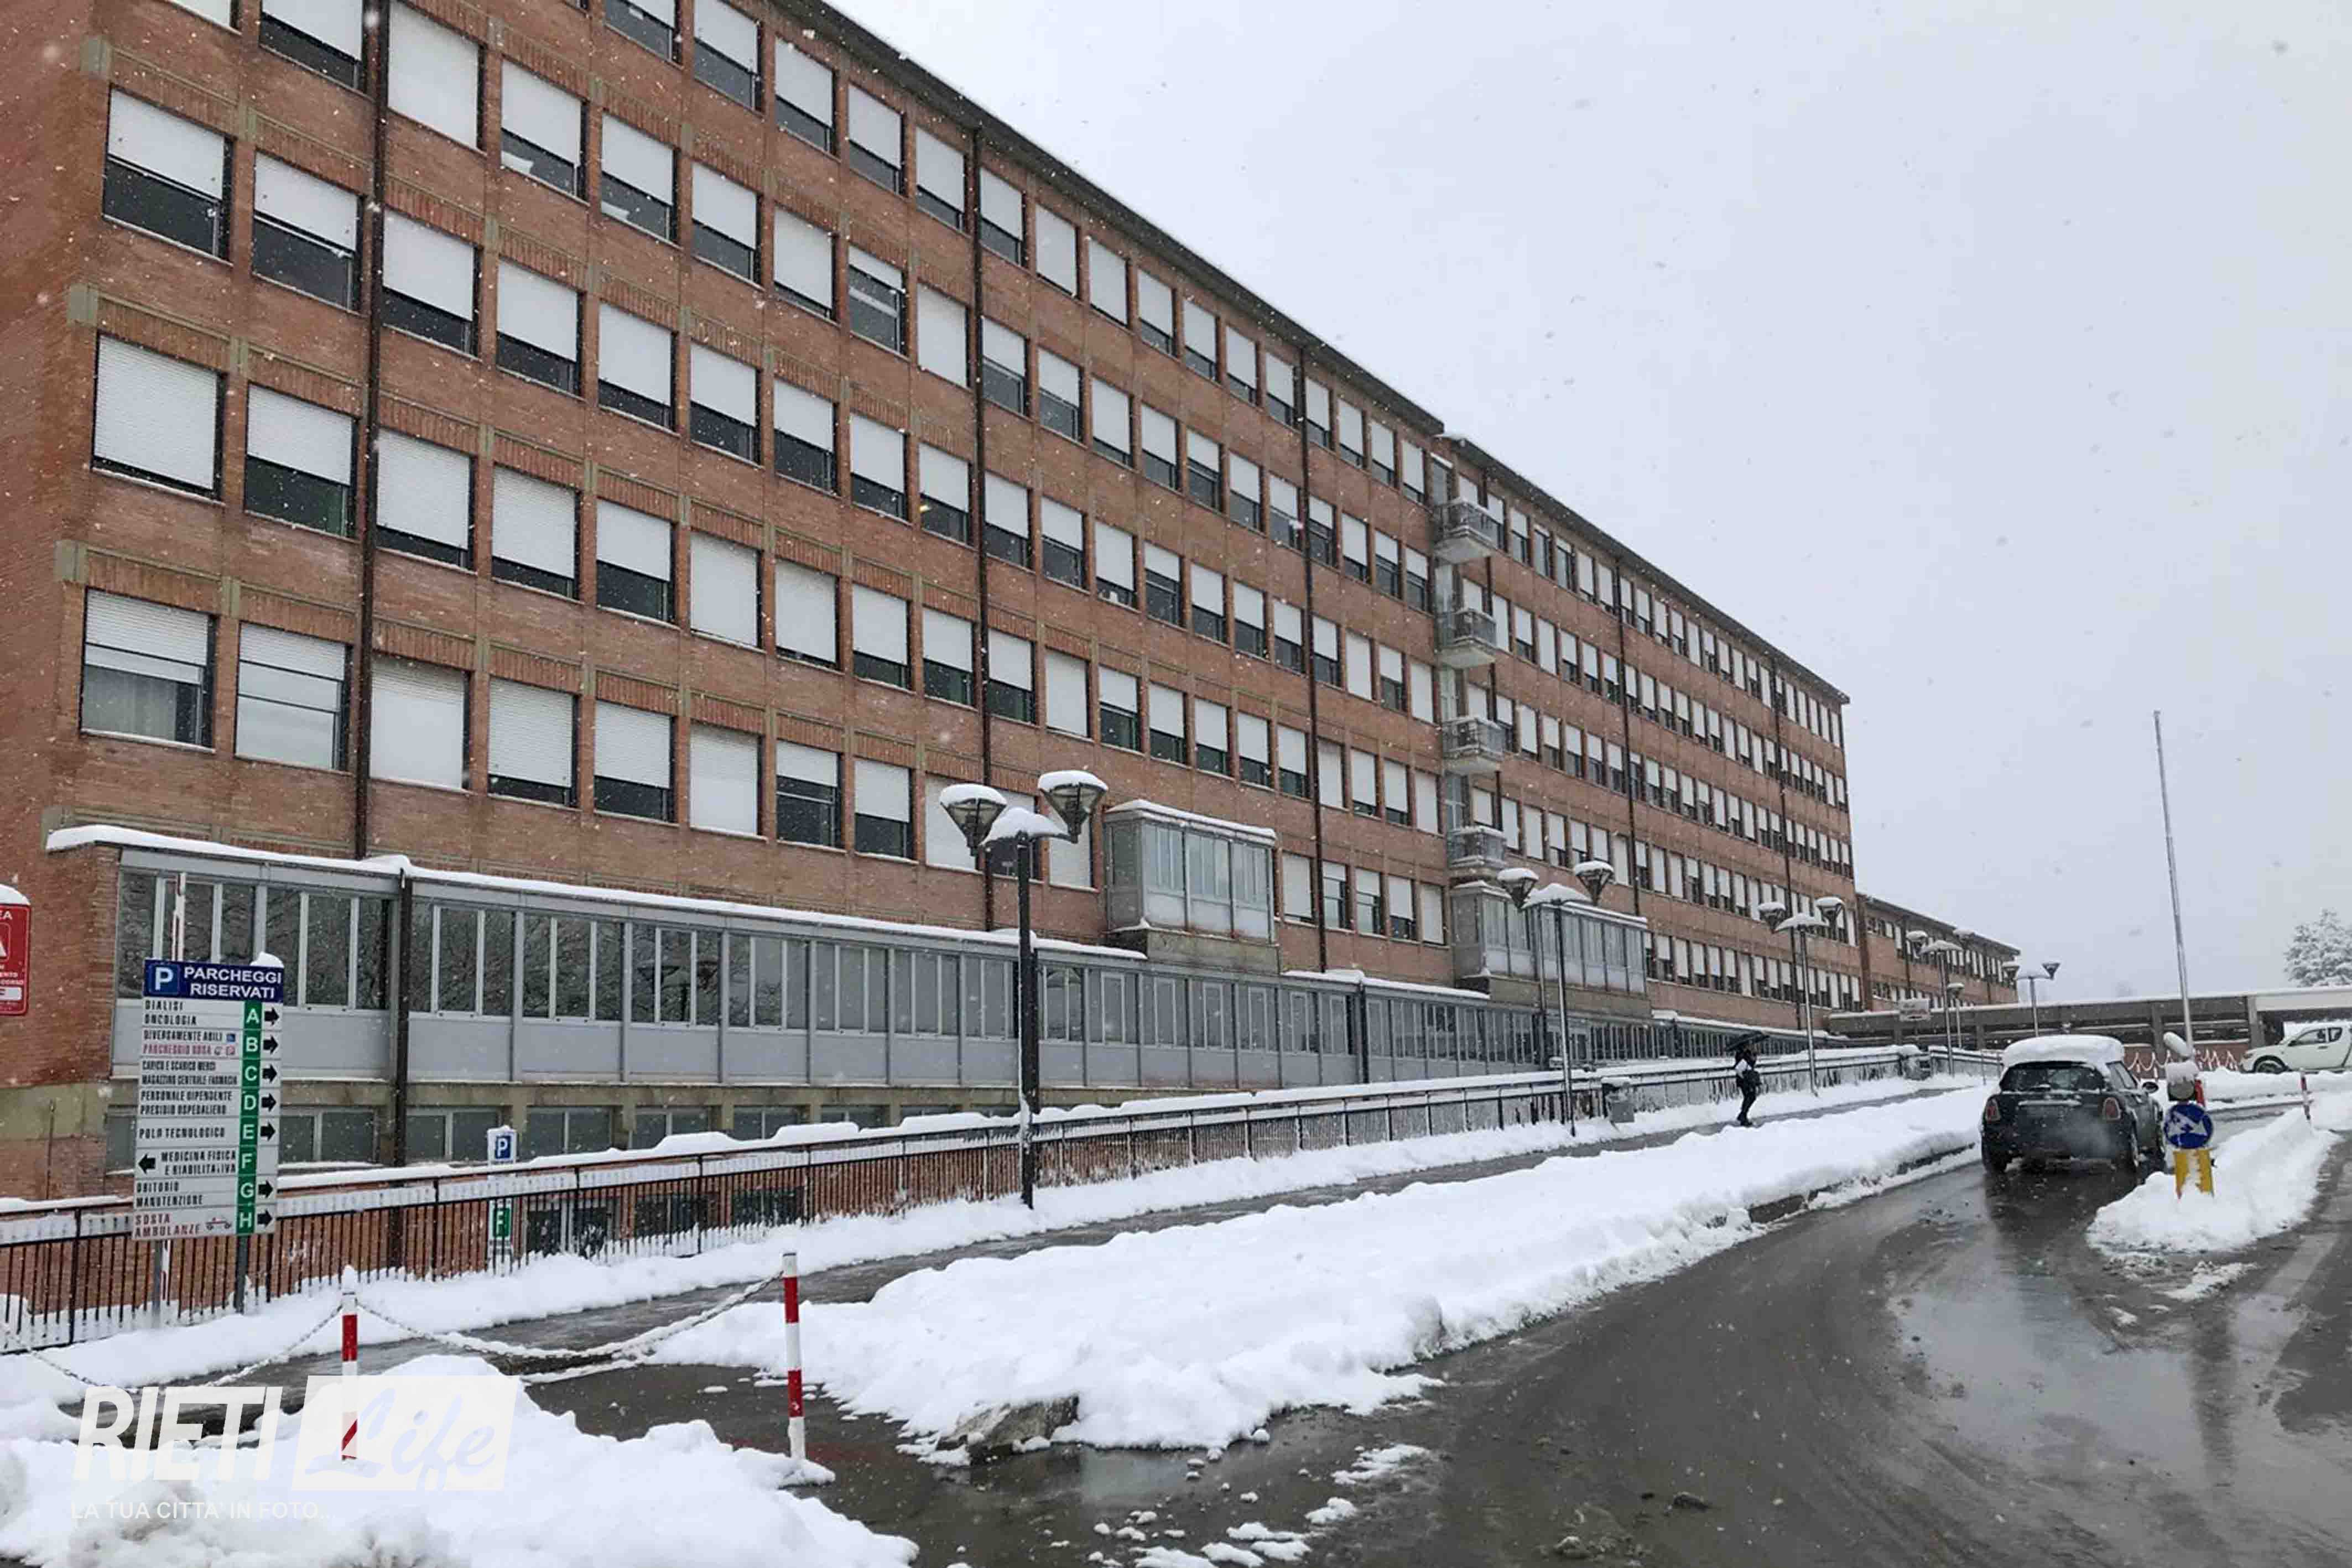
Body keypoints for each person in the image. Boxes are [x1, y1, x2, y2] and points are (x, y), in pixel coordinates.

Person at [1731, 1034, 1765, 1127]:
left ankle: (1743, 1115)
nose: (1749, 1045)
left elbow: (1751, 1064)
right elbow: (1740, 1066)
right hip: (1744, 1079)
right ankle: (1743, 1117)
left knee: (1751, 1097)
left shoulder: (1748, 1052)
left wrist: (1754, 1056)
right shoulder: (1740, 1054)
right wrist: (1749, 1058)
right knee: (1749, 1096)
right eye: (1748, 1044)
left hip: (1749, 1078)